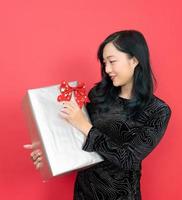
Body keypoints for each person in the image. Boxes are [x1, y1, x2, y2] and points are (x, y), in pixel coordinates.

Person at [24, 29, 172, 200]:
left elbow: (128, 159)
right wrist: (48, 154)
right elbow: (79, 142)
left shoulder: (157, 111)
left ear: (134, 60)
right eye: (104, 62)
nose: (107, 69)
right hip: (83, 193)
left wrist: (84, 124)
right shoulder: (97, 95)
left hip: (121, 195)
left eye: (112, 61)